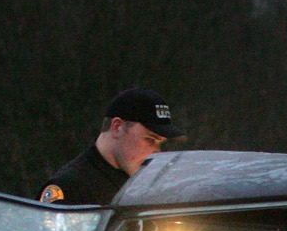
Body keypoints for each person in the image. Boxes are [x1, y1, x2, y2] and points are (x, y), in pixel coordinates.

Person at [39, 88, 184, 205]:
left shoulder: (144, 185)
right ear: (117, 127)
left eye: (160, 143)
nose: (156, 152)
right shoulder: (69, 188)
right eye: (150, 139)